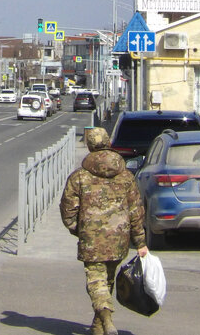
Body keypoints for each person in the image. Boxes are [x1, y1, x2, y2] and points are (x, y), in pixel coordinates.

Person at [60, 126, 148, 335]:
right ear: (108, 143)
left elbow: (68, 209)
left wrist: (77, 229)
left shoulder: (79, 177)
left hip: (91, 237)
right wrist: (140, 241)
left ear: (89, 145)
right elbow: (136, 210)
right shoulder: (126, 176)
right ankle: (98, 327)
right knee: (107, 279)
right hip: (119, 238)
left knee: (95, 280)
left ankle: (107, 321)